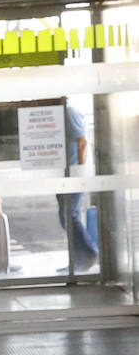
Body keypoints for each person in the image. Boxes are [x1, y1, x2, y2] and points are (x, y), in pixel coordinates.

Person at [58, 100, 99, 273]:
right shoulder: (60, 113)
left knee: (70, 215)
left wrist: (80, 170)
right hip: (64, 173)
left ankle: (88, 254)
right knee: (65, 217)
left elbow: (82, 141)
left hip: (73, 173)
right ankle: (78, 259)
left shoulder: (69, 113)